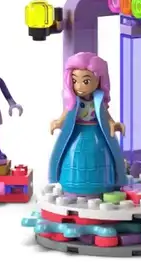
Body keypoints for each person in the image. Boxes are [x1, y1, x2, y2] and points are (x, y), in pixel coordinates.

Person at [47, 52, 126, 197]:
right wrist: (58, 122)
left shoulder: (98, 101)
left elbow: (106, 116)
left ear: (98, 80)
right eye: (74, 80)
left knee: (101, 158)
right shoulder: (74, 101)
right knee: (72, 158)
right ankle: (70, 185)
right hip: (76, 133)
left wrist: (113, 124)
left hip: (97, 134)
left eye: (86, 81)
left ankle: (106, 184)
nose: (79, 86)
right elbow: (66, 114)